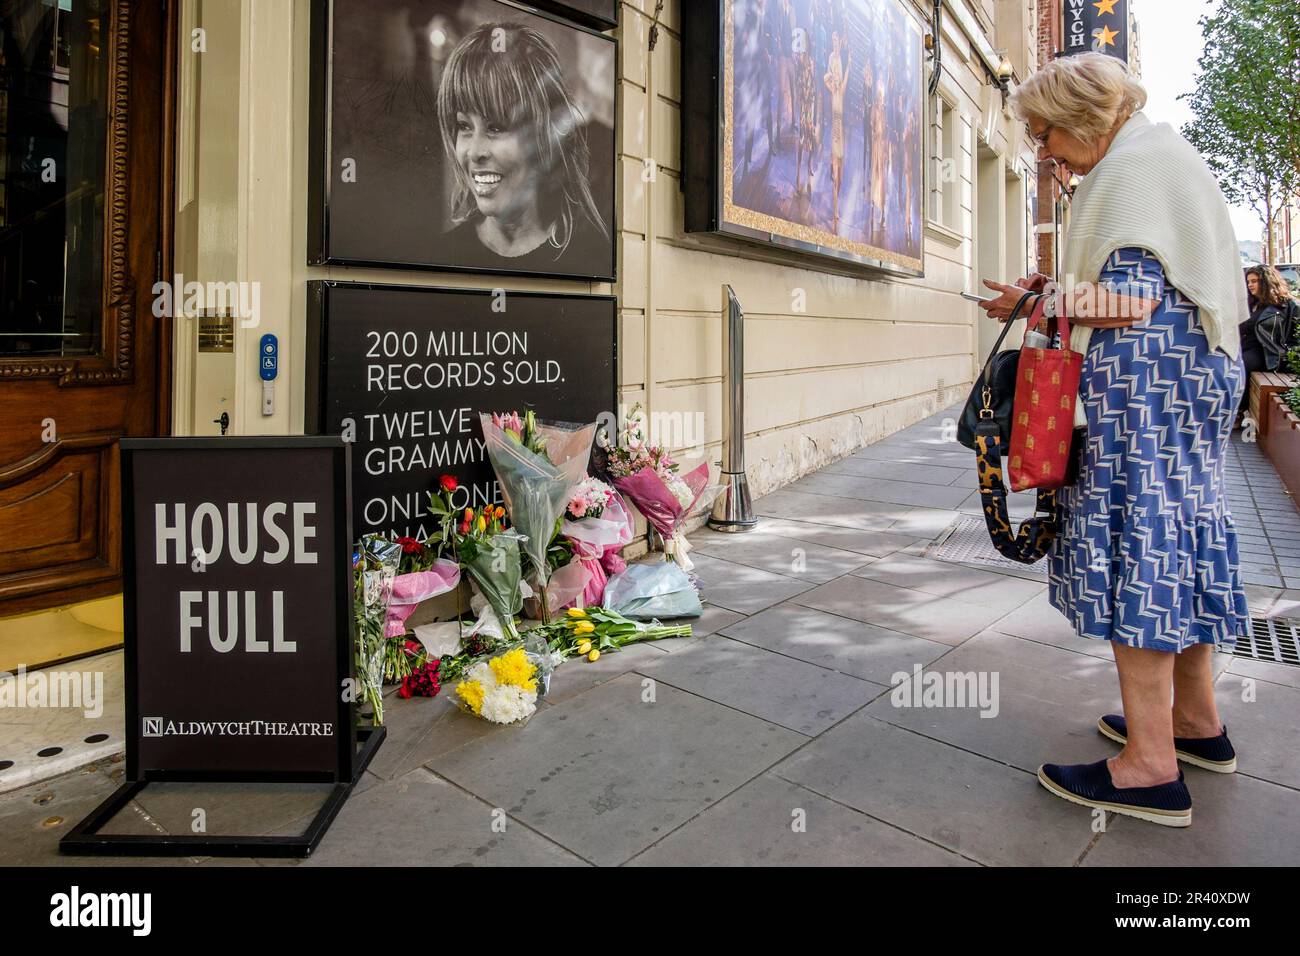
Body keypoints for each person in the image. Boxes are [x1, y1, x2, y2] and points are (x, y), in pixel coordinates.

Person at [978, 53, 1249, 828]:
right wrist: (1038, 294)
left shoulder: (1128, 171)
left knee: (1141, 544)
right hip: (1192, 378)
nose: (1044, 151)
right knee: (1178, 535)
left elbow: (1129, 298)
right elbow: (1161, 285)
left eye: (1046, 132)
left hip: (1146, 391)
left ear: (1081, 115)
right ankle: (1195, 725)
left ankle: (1149, 768)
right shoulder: (1162, 154)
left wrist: (1042, 301)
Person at [436, 22, 609, 273]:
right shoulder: (440, 254)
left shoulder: (592, 256)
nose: (474, 152)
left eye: (496, 128)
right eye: (464, 126)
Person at [1238, 264, 1297, 418]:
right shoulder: (1250, 304)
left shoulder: (1286, 305)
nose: (1250, 285)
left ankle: (1238, 412)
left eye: (1254, 281)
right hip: (1245, 347)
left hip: (1267, 352)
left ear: (1266, 282)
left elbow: (1295, 334)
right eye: (1248, 281)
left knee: (1242, 365)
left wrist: (1287, 354)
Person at [822, 30, 850, 231]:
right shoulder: (833, 92)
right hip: (835, 134)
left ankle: (837, 201)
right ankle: (835, 210)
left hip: (843, 136)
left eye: (836, 40)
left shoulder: (842, 91)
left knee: (840, 177)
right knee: (835, 173)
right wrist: (830, 75)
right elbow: (825, 78)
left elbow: (847, 76)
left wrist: (848, 64)